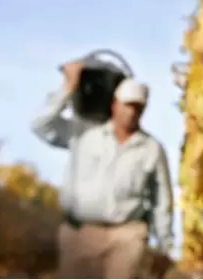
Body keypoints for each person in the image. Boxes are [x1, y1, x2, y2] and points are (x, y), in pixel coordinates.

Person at [32, 61, 175, 279]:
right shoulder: (84, 134)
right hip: (80, 233)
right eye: (127, 105)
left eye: (138, 107)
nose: (131, 112)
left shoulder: (151, 149)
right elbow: (40, 125)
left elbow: (162, 199)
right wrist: (67, 88)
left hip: (127, 234)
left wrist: (165, 244)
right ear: (114, 104)